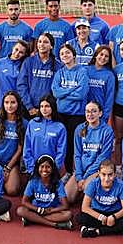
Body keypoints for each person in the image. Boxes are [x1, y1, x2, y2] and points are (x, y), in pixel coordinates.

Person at [67, 101, 113, 204]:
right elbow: (77, 154)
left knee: (87, 189)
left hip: (96, 170)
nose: (90, 114)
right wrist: (79, 175)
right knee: (67, 198)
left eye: (94, 111)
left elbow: (103, 158)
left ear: (100, 113)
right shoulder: (79, 129)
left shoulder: (107, 131)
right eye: (87, 111)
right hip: (81, 170)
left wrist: (86, 176)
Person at [52, 42, 89, 171]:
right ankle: (65, 171)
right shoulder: (59, 73)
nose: (65, 55)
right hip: (61, 114)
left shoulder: (82, 71)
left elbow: (81, 94)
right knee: (63, 145)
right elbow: (56, 92)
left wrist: (64, 93)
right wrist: (72, 89)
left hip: (77, 115)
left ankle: (75, 172)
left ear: (74, 55)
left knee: (75, 145)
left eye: (67, 52)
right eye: (62, 53)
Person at [78, 159, 123, 238]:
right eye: (103, 174)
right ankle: (117, 229)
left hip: (114, 213)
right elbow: (84, 207)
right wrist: (100, 217)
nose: (107, 178)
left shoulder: (121, 185)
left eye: (110, 175)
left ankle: (98, 231)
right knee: (81, 217)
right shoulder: (93, 184)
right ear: (98, 173)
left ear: (115, 174)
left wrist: (114, 217)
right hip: (98, 213)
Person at [17, 154, 73, 230]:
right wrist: (37, 209)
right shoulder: (33, 181)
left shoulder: (58, 183)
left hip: (51, 211)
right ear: (37, 168)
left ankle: (33, 219)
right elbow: (24, 201)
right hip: (36, 209)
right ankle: (53, 224)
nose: (44, 170)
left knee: (68, 214)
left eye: (48, 167)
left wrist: (50, 211)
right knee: (20, 210)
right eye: (42, 166)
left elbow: (65, 205)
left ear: (52, 169)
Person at [0, 91, 28, 197]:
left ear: (18, 104)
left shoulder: (24, 123)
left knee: (12, 191)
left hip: (11, 163)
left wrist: (8, 168)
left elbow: (20, 149)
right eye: (6, 102)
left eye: (13, 102)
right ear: (3, 104)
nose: (9, 106)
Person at [23, 95, 67, 182]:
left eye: (47, 106)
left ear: (53, 107)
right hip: (33, 170)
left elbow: (61, 152)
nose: (44, 109)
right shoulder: (32, 123)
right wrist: (32, 168)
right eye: (41, 106)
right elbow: (27, 148)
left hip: (52, 172)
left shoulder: (60, 127)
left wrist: (53, 170)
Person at [18, 33, 57, 117]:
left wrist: (49, 107)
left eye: (45, 42)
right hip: (29, 109)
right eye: (39, 41)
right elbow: (21, 85)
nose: (42, 44)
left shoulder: (58, 65)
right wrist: (29, 106)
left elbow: (57, 89)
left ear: (51, 46)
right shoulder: (28, 62)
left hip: (49, 109)